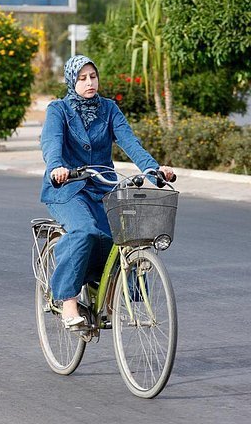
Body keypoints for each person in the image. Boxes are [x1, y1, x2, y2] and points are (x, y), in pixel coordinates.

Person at [40, 55, 175, 328]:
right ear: (71, 81)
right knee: (85, 231)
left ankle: (111, 300)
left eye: (93, 76)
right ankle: (68, 301)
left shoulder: (109, 109)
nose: (90, 82)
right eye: (82, 78)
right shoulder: (59, 110)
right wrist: (57, 167)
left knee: (124, 238)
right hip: (67, 188)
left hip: (103, 187)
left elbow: (130, 143)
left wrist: (154, 171)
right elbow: (51, 142)